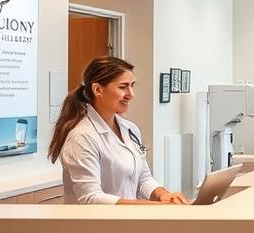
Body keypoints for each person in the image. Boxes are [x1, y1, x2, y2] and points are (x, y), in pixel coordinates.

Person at [48, 56, 188, 205]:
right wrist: (153, 206)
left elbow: (143, 178)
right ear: (97, 90)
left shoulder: (130, 129)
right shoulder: (82, 137)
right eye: (123, 87)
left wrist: (163, 195)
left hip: (125, 223)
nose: (131, 94)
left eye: (132, 86)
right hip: (94, 226)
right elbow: (90, 198)